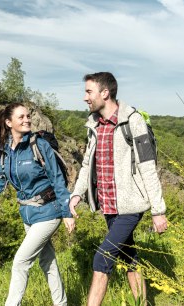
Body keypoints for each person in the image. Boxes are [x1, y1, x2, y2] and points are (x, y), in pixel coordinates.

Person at [69, 72, 168, 306]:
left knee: (101, 258)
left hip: (131, 204)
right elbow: (87, 164)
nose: (85, 97)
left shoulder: (133, 120)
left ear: (105, 93)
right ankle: (143, 303)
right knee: (128, 255)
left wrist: (158, 210)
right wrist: (76, 193)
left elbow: (147, 167)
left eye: (88, 91)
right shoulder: (94, 124)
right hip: (109, 205)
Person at [0, 102, 75, 306]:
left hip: (48, 212)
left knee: (20, 262)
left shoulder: (39, 145)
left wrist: (67, 212)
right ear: (9, 123)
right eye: (21, 117)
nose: (27, 120)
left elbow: (57, 179)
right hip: (28, 215)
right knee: (47, 262)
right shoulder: (6, 151)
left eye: (28, 116)